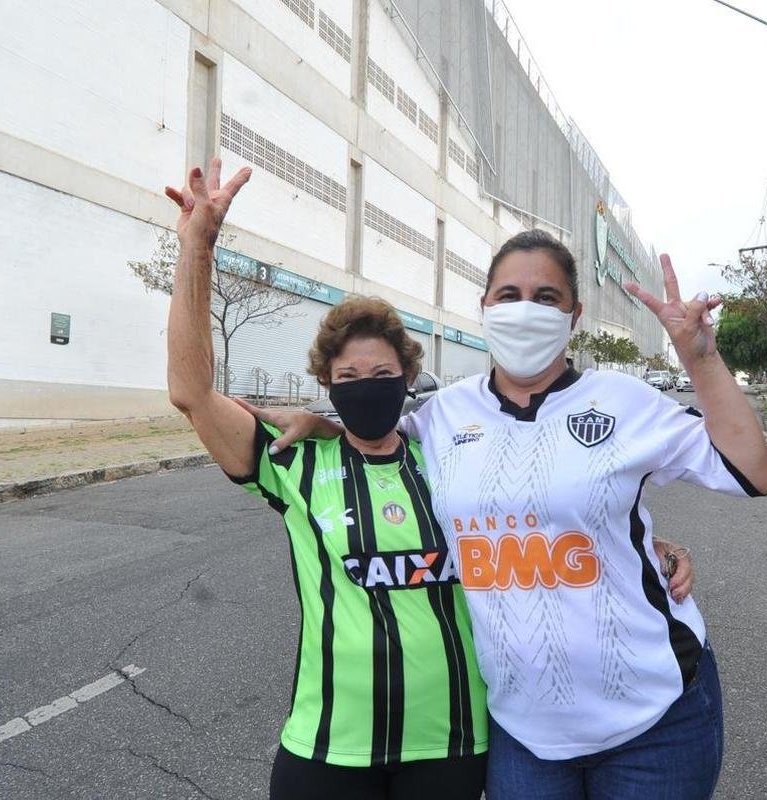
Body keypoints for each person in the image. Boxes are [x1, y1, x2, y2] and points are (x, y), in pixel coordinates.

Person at [162, 159, 696, 800]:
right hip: (328, 745)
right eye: (348, 379)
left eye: (383, 375)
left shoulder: (453, 455)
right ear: (326, 384)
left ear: (409, 380)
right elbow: (191, 392)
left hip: (452, 744)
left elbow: (556, 514)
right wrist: (198, 248)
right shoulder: (296, 460)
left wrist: (648, 549)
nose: (366, 389)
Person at [264, 228, 767, 800]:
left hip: (654, 721)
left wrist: (701, 358)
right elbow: (374, 441)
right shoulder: (442, 416)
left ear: (574, 315)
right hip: (522, 731)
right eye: (508, 295)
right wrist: (322, 424)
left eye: (546, 297)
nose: (525, 310)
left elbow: (754, 472)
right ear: (485, 308)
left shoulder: (625, 401)